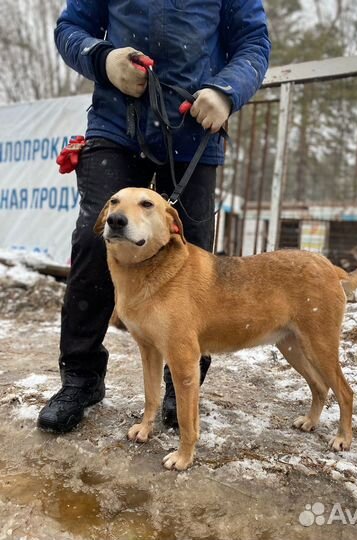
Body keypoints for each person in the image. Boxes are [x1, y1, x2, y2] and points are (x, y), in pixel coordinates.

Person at [37, 0, 271, 433]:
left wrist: (226, 90)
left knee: (193, 257)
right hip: (115, 124)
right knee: (93, 242)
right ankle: (82, 378)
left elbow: (253, 42)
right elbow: (71, 27)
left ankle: (181, 384)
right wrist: (103, 59)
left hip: (193, 125)